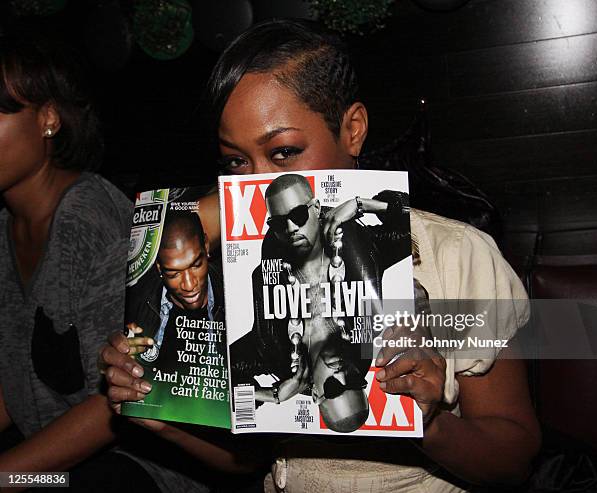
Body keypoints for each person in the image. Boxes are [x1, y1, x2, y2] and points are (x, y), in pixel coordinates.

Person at [101, 19, 541, 492]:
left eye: (284, 152)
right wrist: (161, 410)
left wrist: (429, 423)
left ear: (352, 130)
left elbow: (513, 458)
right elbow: (251, 459)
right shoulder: (239, 268)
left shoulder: (456, 255)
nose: (258, 183)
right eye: (235, 161)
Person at [0, 33, 223, 493]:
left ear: (47, 120)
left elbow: (116, 401)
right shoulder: (6, 225)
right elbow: (16, 379)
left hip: (136, 462)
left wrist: (6, 476)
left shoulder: (90, 219)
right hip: (53, 460)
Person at [231, 173, 412, 432]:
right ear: (316, 207)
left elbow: (212, 382)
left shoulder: (273, 354)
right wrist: (360, 205)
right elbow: (417, 220)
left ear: (316, 394)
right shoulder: (365, 319)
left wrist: (272, 395)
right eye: (354, 380)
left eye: (334, 387)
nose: (342, 373)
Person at [126, 210, 224, 369]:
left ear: (206, 246)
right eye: (174, 273)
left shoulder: (237, 291)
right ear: (159, 267)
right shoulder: (136, 303)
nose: (189, 285)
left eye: (196, 265)